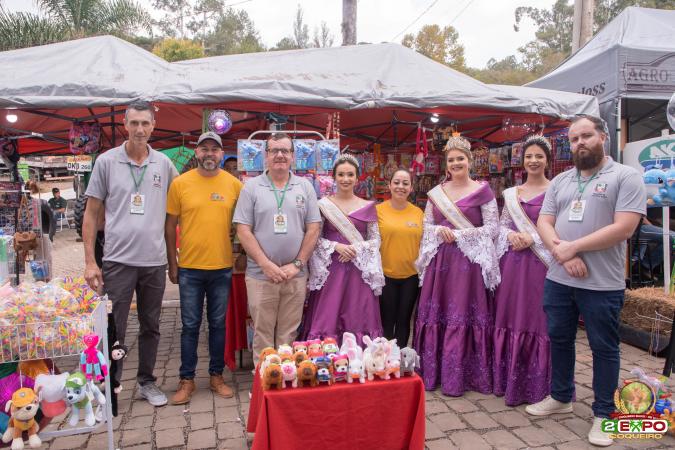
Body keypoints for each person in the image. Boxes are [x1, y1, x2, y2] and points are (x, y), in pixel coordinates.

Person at [527, 116, 645, 447]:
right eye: (574, 138)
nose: (580, 142)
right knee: (560, 339)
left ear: (603, 137)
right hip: (559, 278)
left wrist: (573, 247)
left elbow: (624, 228)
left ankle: (604, 414)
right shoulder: (562, 180)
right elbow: (544, 222)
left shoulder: (625, 176)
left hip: (602, 284)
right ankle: (561, 396)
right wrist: (564, 255)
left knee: (603, 347)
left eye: (586, 135)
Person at [83, 100, 179, 407]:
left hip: (153, 262)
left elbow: (178, 209)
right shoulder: (107, 162)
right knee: (115, 326)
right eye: (134, 123)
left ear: (153, 126)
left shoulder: (164, 164)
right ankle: (110, 385)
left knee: (152, 326)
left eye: (145, 123)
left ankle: (147, 381)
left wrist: (174, 259)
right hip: (117, 262)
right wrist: (90, 262)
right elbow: (91, 213)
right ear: (125, 125)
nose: (139, 129)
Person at [414, 136, 500, 396]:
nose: (456, 163)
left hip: (469, 265)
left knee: (464, 312)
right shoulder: (436, 194)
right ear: (446, 164)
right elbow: (427, 225)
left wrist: (461, 235)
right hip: (441, 263)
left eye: (460, 158)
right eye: (451, 160)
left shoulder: (483, 192)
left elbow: (493, 228)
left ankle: (467, 375)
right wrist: (439, 231)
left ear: (470, 160)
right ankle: (435, 373)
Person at [165, 132, 242, 405]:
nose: (209, 153)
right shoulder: (180, 183)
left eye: (214, 149)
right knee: (190, 326)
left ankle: (216, 376)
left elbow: (243, 225)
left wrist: (240, 254)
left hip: (222, 267)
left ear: (222, 154)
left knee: (218, 325)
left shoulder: (234, 185)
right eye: (204, 148)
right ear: (196, 152)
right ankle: (186, 380)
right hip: (189, 268)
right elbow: (169, 226)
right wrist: (172, 263)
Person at [233, 133, 321, 363]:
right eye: (274, 151)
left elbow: (313, 228)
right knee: (262, 333)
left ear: (293, 156)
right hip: (261, 275)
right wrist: (266, 265)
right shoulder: (251, 187)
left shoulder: (305, 187)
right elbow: (243, 230)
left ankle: (285, 379)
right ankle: (263, 380)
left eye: (285, 151)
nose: (280, 155)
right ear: (266, 156)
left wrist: (297, 264)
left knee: (288, 335)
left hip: (295, 275)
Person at [493, 136, 553, 406]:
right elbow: (502, 225)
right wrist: (511, 236)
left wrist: (533, 238)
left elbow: (561, 227)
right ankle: (509, 381)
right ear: (522, 160)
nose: (533, 161)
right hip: (513, 264)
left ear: (547, 160)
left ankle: (540, 386)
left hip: (541, 264)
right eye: (529, 156)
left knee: (537, 318)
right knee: (511, 315)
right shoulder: (511, 193)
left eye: (539, 156)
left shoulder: (556, 191)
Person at [300, 155, 385, 344]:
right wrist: (336, 246)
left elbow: (375, 239)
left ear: (357, 177)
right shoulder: (323, 205)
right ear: (334, 177)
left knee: (358, 313)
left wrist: (356, 248)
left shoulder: (368, 206)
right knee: (328, 313)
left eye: (350, 174)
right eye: (341, 174)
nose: (345, 179)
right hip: (332, 269)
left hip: (358, 271)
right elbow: (314, 237)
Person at [376, 168, 424, 347]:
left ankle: (401, 359)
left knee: (404, 321)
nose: (400, 187)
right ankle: (385, 359)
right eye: (396, 182)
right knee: (387, 322)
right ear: (389, 185)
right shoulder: (377, 211)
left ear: (411, 188)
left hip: (411, 277)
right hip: (385, 276)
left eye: (405, 183)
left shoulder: (418, 213)